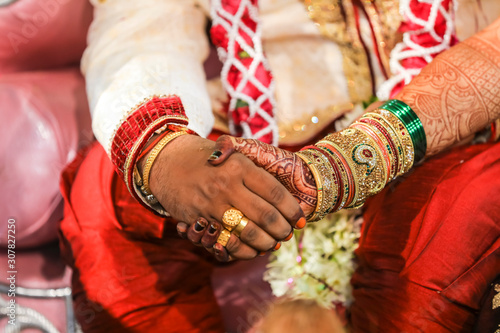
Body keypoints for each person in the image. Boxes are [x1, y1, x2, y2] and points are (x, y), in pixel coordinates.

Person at [59, 0, 500, 331]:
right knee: (106, 198)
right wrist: (166, 155)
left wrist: (341, 166)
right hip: (263, 128)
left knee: (459, 219)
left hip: (458, 129)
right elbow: (139, 30)